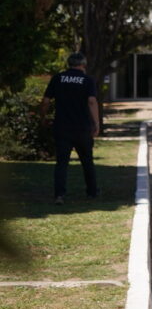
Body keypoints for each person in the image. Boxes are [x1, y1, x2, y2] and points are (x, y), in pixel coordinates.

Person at [39, 52, 100, 204]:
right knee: (87, 161)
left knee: (61, 163)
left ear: (68, 64)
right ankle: (92, 192)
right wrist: (96, 124)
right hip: (82, 128)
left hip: (62, 127)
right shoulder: (87, 80)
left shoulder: (58, 78)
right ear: (83, 65)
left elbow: (46, 101)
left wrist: (43, 117)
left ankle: (59, 195)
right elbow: (92, 101)